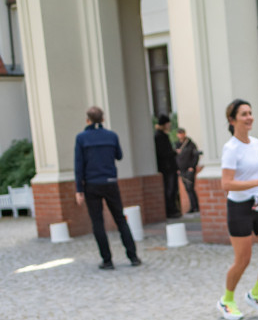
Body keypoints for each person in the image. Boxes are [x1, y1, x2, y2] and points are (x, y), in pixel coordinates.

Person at [216, 99, 258, 320]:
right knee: (242, 260)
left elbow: (257, 173)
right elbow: (226, 184)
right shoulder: (230, 148)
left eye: (250, 113)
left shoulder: (256, 143)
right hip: (239, 207)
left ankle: (256, 294)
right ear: (232, 119)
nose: (249, 117)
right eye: (244, 114)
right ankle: (226, 300)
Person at [74, 106, 141, 270]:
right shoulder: (111, 136)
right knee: (120, 219)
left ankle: (107, 260)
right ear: (103, 119)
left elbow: (79, 165)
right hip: (110, 182)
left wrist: (78, 190)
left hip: (92, 185)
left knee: (98, 222)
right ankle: (133, 257)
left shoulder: (81, 138)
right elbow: (119, 155)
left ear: (87, 120)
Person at [154, 114, 180, 219]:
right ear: (165, 124)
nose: (169, 125)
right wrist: (173, 152)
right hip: (167, 168)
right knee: (170, 189)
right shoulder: (159, 136)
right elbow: (163, 152)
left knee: (172, 188)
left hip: (169, 167)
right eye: (168, 123)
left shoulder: (162, 135)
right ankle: (171, 210)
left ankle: (172, 209)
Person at [175, 128, 201, 214]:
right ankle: (192, 207)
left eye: (182, 133)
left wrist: (192, 166)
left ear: (184, 134)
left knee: (190, 187)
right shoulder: (176, 145)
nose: (180, 135)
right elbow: (175, 157)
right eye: (179, 133)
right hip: (182, 170)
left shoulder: (191, 144)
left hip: (189, 170)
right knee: (187, 188)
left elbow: (196, 155)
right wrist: (177, 168)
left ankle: (195, 206)